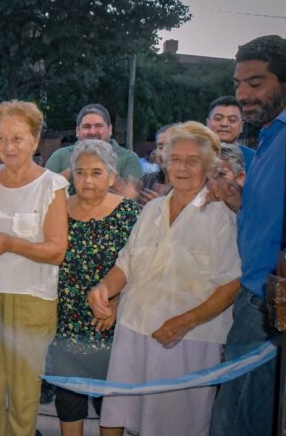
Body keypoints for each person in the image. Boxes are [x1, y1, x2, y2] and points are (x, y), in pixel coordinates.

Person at [87, 122, 242, 436]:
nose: (181, 168)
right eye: (175, 159)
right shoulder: (152, 210)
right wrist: (103, 290)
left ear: (209, 167)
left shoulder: (220, 217)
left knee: (173, 425)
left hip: (188, 341)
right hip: (134, 328)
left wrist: (185, 321)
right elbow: (125, 266)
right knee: (116, 413)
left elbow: (232, 284)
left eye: (192, 161)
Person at [0, 100, 69, 436]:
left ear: (36, 141)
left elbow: (56, 251)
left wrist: (11, 244)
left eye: (18, 138)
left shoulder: (52, 185)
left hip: (32, 301)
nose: (7, 146)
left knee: (24, 396)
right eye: (1, 138)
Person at [209, 35, 286, 436]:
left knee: (239, 424)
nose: (242, 95)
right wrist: (237, 200)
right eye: (238, 84)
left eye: (256, 83)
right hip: (254, 302)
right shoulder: (271, 135)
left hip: (272, 304)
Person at [48, 139, 141, 436]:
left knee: (110, 401)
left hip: (111, 321)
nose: (87, 180)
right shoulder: (56, 209)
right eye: (80, 172)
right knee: (69, 397)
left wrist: (113, 305)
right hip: (66, 322)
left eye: (97, 172)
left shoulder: (130, 213)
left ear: (112, 177)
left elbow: (139, 269)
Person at [45, 103, 144, 194]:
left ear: (110, 130)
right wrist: (75, 168)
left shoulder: (129, 158)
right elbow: (43, 191)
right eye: (86, 127)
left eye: (99, 126)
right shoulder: (60, 155)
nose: (92, 132)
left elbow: (132, 198)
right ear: (77, 131)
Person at [206, 96, 255, 172]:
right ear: (208, 123)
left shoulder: (254, 160)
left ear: (241, 126)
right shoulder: (196, 154)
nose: (224, 124)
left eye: (232, 120)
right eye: (218, 119)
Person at [136, 123, 175, 205]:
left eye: (169, 146)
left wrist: (162, 205)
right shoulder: (147, 180)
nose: (164, 153)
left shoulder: (192, 185)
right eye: (160, 147)